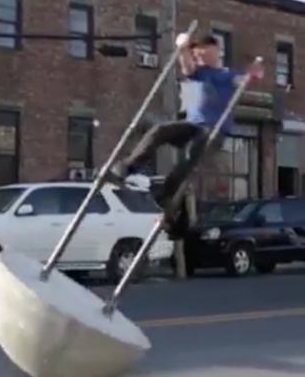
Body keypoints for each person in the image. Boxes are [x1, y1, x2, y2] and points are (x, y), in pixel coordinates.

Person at [106, 33, 263, 238]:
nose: (195, 55)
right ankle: (128, 167)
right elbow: (187, 66)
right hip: (192, 124)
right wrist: (181, 47)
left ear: (214, 50)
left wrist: (252, 75)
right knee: (159, 131)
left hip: (214, 130)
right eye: (194, 51)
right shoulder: (199, 72)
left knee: (192, 153)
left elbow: (240, 80)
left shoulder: (226, 74)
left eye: (199, 51)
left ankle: (169, 192)